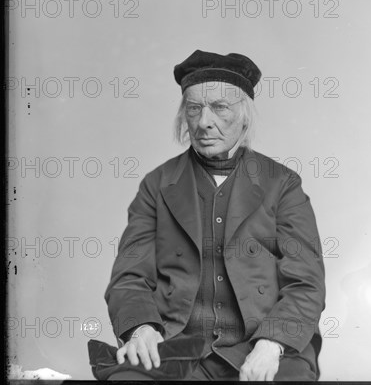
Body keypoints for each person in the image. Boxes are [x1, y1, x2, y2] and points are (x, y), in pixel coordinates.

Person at [104, 50, 326, 381]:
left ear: (245, 115)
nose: (204, 121)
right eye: (194, 109)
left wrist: (272, 343)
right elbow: (129, 276)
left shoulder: (282, 184)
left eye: (220, 108)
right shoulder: (158, 184)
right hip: (176, 347)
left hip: (259, 347)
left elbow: (306, 282)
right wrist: (141, 329)